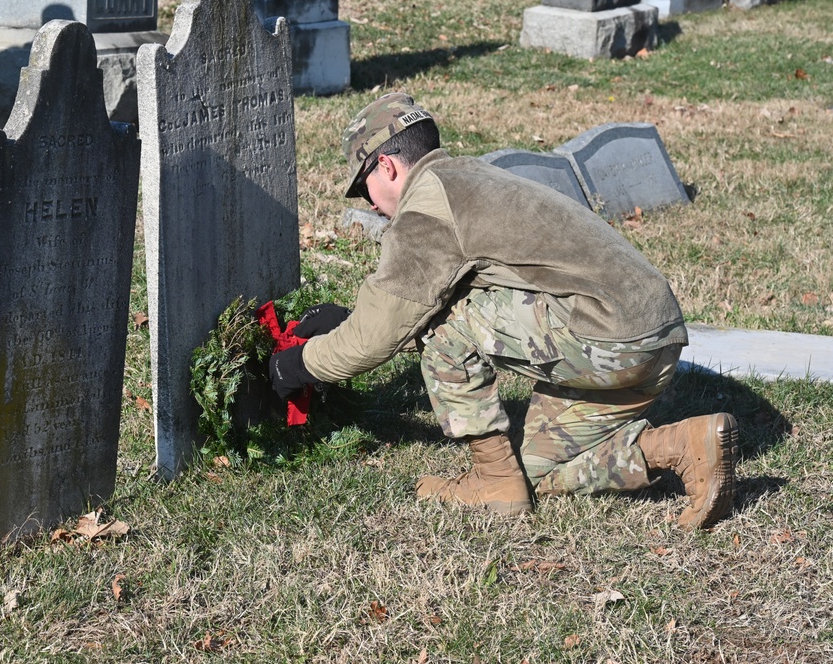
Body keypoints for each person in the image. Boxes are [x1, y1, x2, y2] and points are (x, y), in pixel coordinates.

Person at [270, 93, 737, 529]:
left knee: (441, 323)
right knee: (540, 470)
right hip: (656, 340)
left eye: (364, 187)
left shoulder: (427, 211)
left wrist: (293, 365)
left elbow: (377, 338)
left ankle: (491, 478)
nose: (369, 203)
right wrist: (345, 322)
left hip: (607, 338)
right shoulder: (470, 177)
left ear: (387, 166)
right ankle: (681, 446)